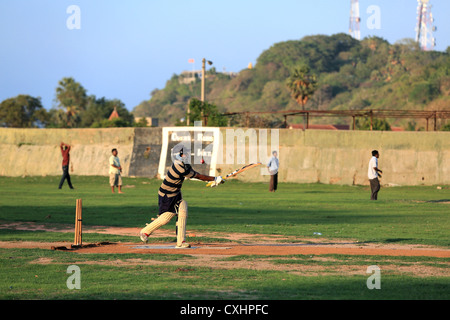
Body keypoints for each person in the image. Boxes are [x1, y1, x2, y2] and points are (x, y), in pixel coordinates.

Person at [139, 144, 224, 248]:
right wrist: (214, 179)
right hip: (167, 195)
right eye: (186, 154)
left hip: (176, 194)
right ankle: (145, 231)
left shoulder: (185, 164)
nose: (187, 156)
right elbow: (198, 176)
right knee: (165, 218)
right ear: (181, 154)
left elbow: (196, 174)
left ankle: (181, 242)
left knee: (183, 210)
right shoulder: (179, 166)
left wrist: (214, 180)